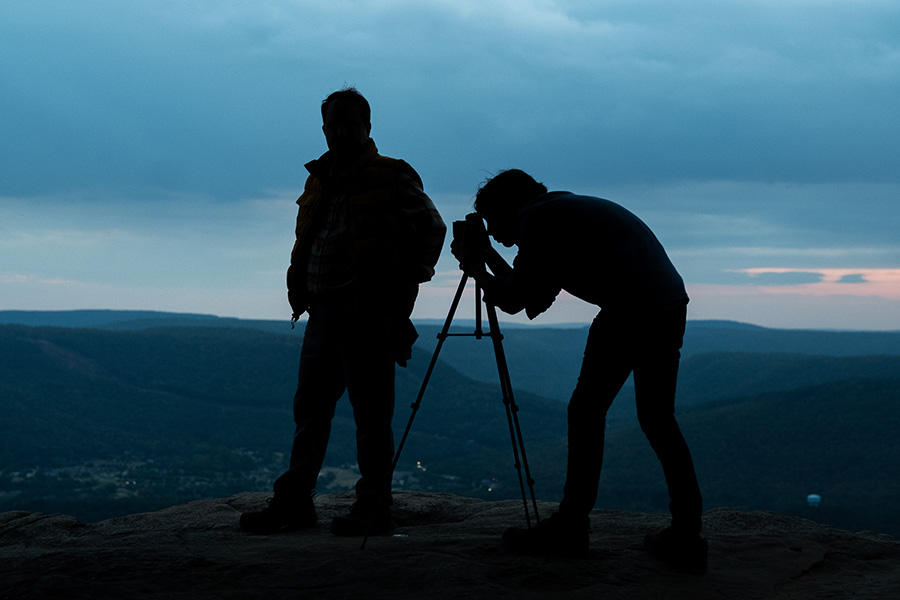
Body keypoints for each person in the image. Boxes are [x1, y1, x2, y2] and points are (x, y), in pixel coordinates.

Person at [452, 169, 706, 573]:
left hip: (630, 308)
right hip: (665, 303)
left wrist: (478, 267)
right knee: (657, 419)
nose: (493, 230)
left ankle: (571, 526)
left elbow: (520, 301)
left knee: (587, 412)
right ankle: (687, 534)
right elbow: (532, 293)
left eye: (490, 218)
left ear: (507, 208)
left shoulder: (537, 220)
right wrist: (489, 260)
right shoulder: (557, 211)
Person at [240, 88, 446, 536]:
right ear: (324, 128)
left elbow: (433, 227)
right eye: (334, 123)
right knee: (310, 409)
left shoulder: (391, 175)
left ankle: (373, 508)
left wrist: (403, 281)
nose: (341, 130)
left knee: (371, 415)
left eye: (350, 122)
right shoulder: (318, 178)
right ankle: (295, 502)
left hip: (367, 313)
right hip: (321, 311)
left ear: (368, 126)